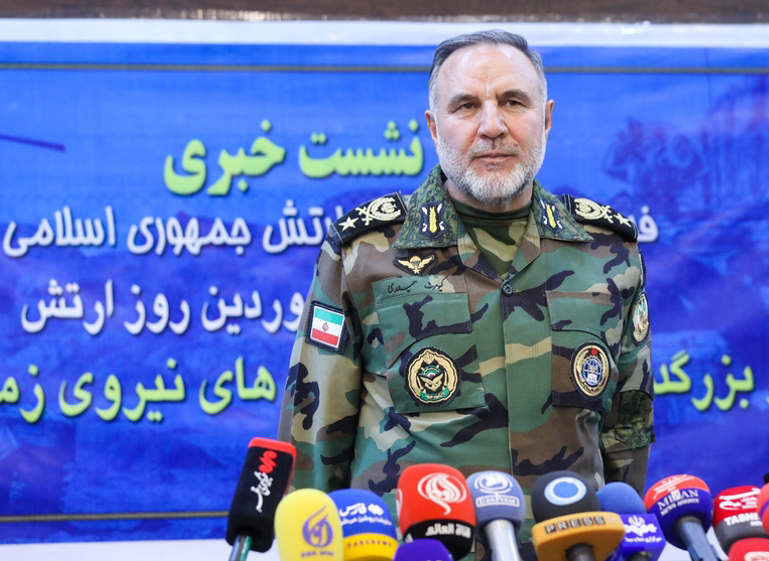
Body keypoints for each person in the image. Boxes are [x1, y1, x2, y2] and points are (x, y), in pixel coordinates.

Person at [278, 29, 654, 552]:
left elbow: (625, 436)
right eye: (466, 106)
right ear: (434, 127)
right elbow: (316, 434)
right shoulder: (364, 252)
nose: (492, 126)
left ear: (545, 117)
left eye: (512, 102)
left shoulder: (609, 252)